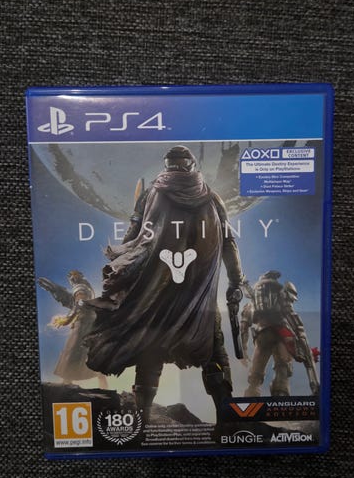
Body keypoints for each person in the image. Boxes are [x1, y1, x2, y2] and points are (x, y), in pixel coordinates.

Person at [84, 145, 244, 424]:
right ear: (191, 165)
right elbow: (229, 243)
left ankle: (143, 421)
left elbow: (132, 239)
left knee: (152, 347)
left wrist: (121, 275)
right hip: (199, 296)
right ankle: (226, 419)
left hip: (158, 292)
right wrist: (236, 281)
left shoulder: (150, 195)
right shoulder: (212, 198)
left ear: (167, 165)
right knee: (212, 349)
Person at [38, 270, 108, 390]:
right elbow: (69, 299)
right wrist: (53, 288)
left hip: (83, 323)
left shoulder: (80, 287)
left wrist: (68, 319)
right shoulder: (85, 288)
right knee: (86, 352)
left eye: (72, 276)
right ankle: (99, 384)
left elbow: (79, 304)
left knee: (73, 351)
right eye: (70, 276)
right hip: (88, 323)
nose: (71, 279)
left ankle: (67, 382)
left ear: (77, 277)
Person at [241, 271, 298, 397]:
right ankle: (281, 391)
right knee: (282, 367)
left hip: (263, 333)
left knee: (257, 369)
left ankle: (252, 394)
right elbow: (291, 316)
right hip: (281, 333)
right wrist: (298, 336)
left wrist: (243, 349)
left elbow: (244, 326)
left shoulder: (252, 303)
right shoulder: (282, 296)